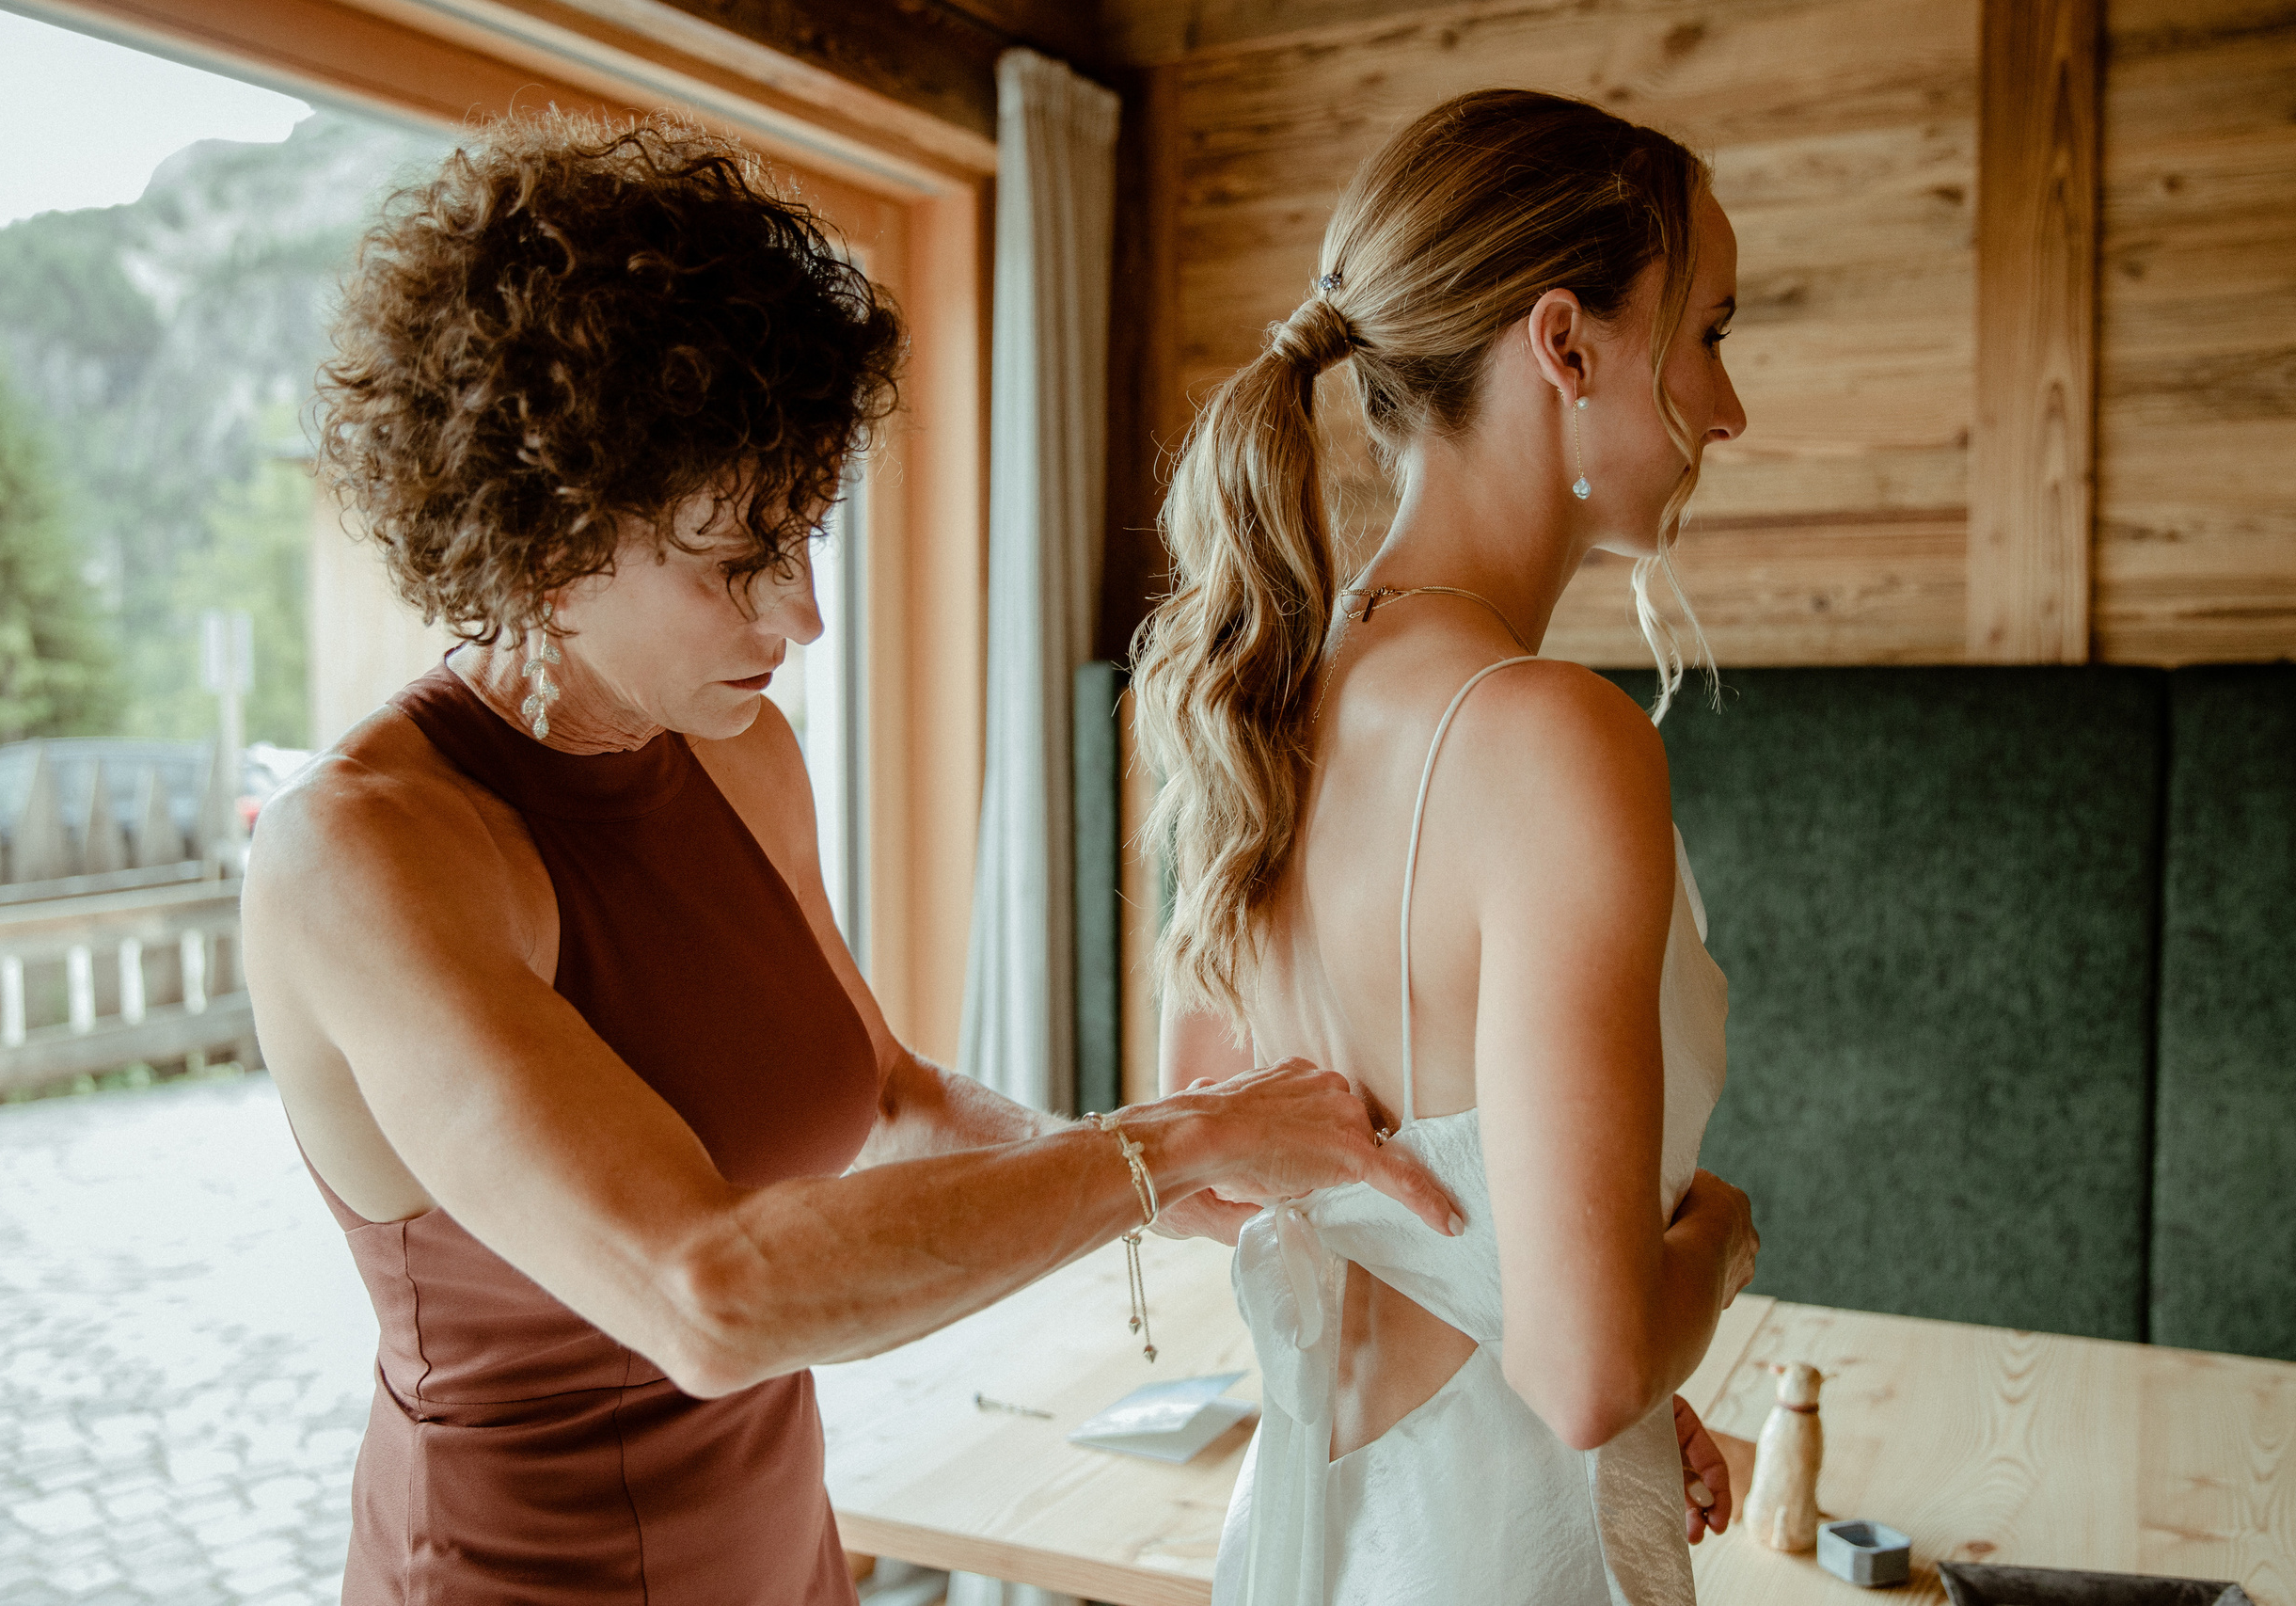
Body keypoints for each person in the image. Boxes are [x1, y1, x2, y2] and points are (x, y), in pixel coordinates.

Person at [241, 115, 1453, 1606]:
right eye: (738, 561)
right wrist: (1166, 1152)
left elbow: (889, 1095)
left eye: (804, 534)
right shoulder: (360, 854)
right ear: (547, 537)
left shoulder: (735, 750)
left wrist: (1142, 1165)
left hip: (777, 1557)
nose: (803, 615)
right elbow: (709, 1294)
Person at [1132, 88, 1763, 1605]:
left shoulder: (1267, 682)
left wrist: (1526, 1295)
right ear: (1566, 343)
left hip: (1324, 1533)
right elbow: (1587, 1369)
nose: (1731, 410)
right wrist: (1720, 1238)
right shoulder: (1551, 739)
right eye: (1715, 333)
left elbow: (1215, 1168)